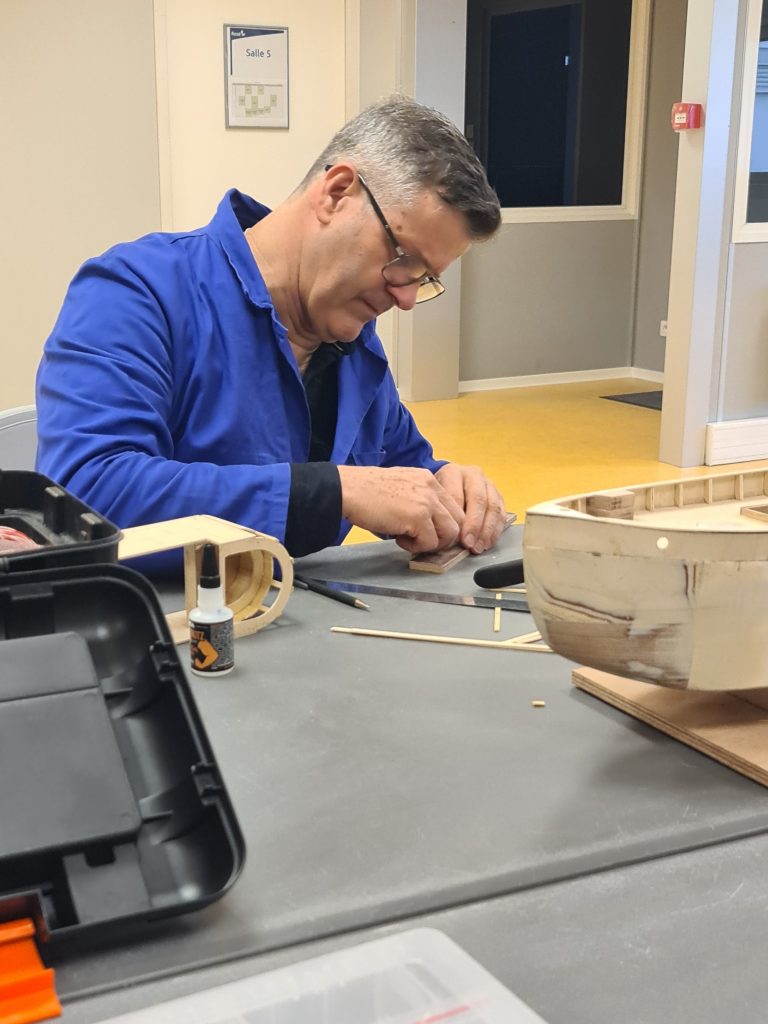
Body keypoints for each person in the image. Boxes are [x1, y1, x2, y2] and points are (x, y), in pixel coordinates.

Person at [36, 96, 507, 560]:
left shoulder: (353, 348)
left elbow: (398, 478)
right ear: (337, 192)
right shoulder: (138, 291)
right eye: (404, 260)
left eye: (423, 280)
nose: (404, 299)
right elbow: (88, 496)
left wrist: (449, 488)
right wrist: (329, 492)